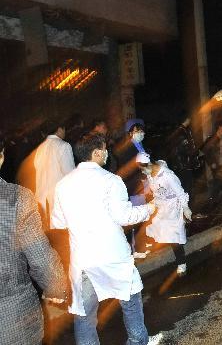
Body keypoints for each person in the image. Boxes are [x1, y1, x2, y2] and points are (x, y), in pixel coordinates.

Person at [52, 133, 163, 345]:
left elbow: (58, 224)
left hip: (83, 260)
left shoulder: (62, 185)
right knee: (130, 301)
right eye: (104, 149)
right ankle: (138, 341)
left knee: (85, 315)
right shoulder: (111, 180)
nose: (106, 153)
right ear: (97, 153)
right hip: (113, 256)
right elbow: (124, 216)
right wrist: (149, 208)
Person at [0, 133, 69, 345]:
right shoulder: (15, 198)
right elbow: (40, 256)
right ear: (1, 157)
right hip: (12, 320)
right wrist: (57, 287)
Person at [137, 153, 193, 276]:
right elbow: (156, 192)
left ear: (150, 164)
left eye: (143, 169)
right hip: (162, 207)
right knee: (154, 228)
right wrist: (153, 202)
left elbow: (180, 192)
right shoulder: (151, 174)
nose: (143, 172)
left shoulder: (167, 176)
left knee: (174, 237)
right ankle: (146, 250)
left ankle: (181, 263)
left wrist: (185, 207)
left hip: (174, 208)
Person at [114, 119, 151, 258]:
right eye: (137, 131)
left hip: (142, 185)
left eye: (141, 131)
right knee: (135, 217)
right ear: (130, 133)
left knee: (142, 214)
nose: (140, 133)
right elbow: (129, 168)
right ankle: (136, 249)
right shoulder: (127, 148)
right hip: (133, 186)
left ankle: (141, 243)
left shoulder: (140, 146)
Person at [34, 119, 76, 229]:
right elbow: (69, 174)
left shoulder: (39, 149)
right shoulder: (63, 146)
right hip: (59, 202)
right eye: (64, 129)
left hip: (43, 202)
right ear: (59, 129)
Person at [167, 113, 203, 207]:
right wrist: (196, 153)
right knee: (187, 189)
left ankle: (184, 210)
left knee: (182, 188)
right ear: (186, 119)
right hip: (185, 165)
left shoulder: (176, 131)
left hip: (179, 166)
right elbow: (187, 149)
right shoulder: (182, 132)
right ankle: (188, 211)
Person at [201, 120, 222, 202]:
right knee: (218, 183)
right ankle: (214, 200)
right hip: (217, 165)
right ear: (220, 127)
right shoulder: (212, 139)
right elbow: (205, 152)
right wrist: (211, 163)